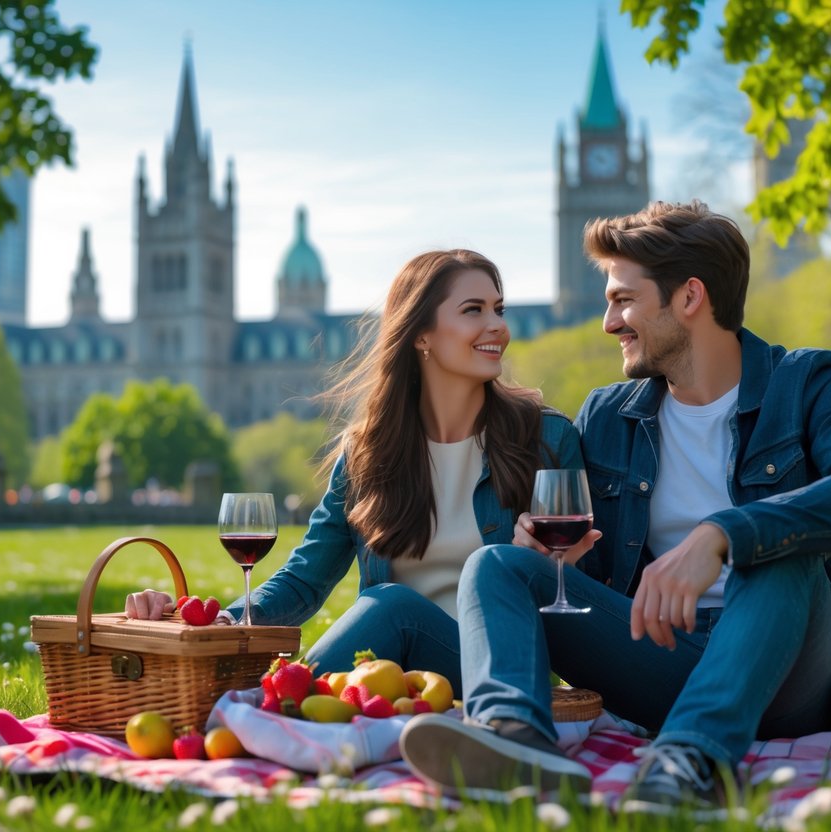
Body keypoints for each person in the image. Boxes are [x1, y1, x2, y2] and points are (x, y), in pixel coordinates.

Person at [399, 200, 831, 807]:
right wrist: (555, 563)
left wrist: (726, 534)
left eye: (624, 299)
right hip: (661, 657)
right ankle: (515, 740)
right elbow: (598, 576)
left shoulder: (805, 382)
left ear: (690, 297)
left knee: (778, 550)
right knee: (496, 565)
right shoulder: (609, 414)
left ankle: (686, 760)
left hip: (788, 671)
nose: (609, 322)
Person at [126, 249, 582, 697]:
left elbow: (588, 594)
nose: (497, 325)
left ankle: (267, 706)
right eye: (473, 310)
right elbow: (306, 577)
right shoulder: (368, 453)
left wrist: (544, 565)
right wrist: (225, 619)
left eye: (498, 309)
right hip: (389, 683)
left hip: (499, 672)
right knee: (387, 617)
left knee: (393, 607)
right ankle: (261, 707)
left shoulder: (546, 437)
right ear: (421, 335)